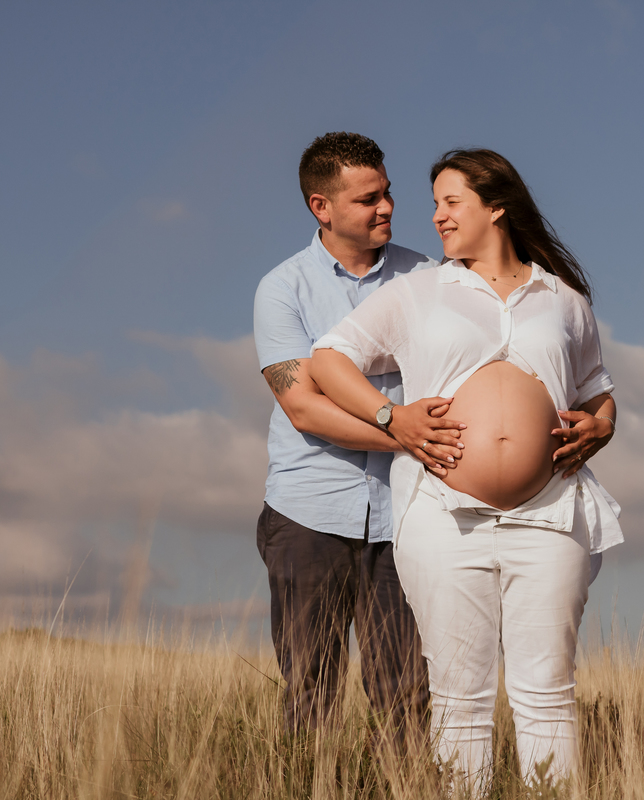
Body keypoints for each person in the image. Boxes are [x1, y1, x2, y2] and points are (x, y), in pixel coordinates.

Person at [310, 148, 623, 788]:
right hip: (443, 517)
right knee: (460, 700)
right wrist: (390, 418)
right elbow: (329, 358)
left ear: (496, 207)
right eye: (435, 205)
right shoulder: (419, 291)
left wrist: (604, 423)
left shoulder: (563, 299)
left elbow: (596, 388)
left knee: (548, 695)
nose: (436, 217)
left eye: (451, 203)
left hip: (550, 514)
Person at [253, 132, 459, 743]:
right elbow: (304, 410)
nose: (387, 207)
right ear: (322, 207)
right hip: (308, 512)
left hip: (407, 515)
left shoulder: (429, 277)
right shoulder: (281, 289)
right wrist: (404, 430)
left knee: (408, 693)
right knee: (310, 689)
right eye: (368, 198)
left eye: (388, 192)